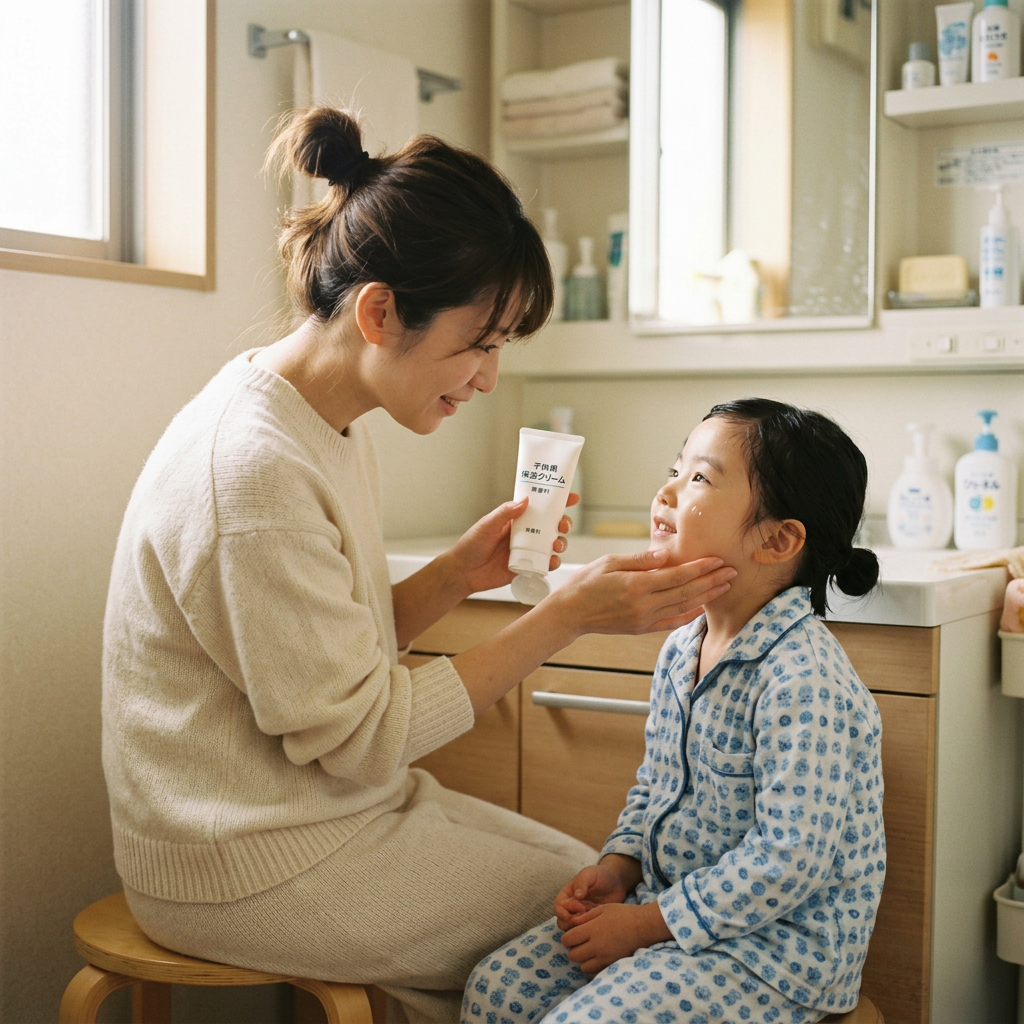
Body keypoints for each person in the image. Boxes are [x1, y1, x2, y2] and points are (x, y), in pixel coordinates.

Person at [100, 107, 736, 1024]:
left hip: (320, 814)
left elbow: (316, 673)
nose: (485, 377)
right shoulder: (254, 470)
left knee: (585, 883)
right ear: (380, 311)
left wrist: (453, 577)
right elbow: (358, 735)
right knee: (602, 921)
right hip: (240, 861)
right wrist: (563, 618)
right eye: (477, 343)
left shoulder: (323, 420)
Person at [463, 399, 885, 1024]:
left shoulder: (803, 680)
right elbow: (660, 786)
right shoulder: (683, 645)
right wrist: (619, 863)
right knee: (495, 989)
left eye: (698, 478)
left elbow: (789, 858)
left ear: (777, 539)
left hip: (776, 954)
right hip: (666, 909)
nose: (665, 490)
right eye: (675, 468)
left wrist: (644, 924)